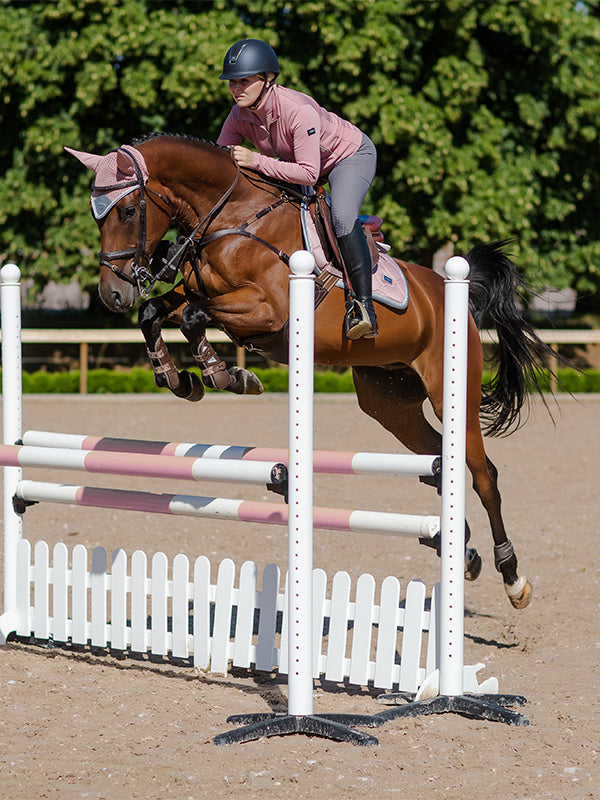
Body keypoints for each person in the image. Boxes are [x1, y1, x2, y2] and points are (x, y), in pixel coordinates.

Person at [217, 38, 378, 339]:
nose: (236, 89)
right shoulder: (239, 114)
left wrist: (255, 160)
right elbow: (220, 161)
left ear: (268, 79)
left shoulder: (297, 110)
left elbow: (308, 173)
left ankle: (363, 307)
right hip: (301, 164)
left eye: (244, 81)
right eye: (232, 83)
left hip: (348, 158)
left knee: (342, 217)